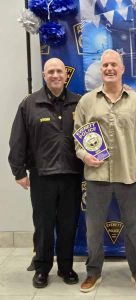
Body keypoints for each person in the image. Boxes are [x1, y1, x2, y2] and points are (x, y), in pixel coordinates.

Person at [74, 49, 136, 293]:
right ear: (101, 70)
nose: (109, 69)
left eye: (114, 65)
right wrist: (83, 154)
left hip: (128, 176)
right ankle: (93, 273)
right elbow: (77, 136)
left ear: (122, 69)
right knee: (93, 228)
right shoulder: (86, 102)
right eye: (105, 65)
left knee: (132, 227)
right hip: (96, 177)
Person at [8, 58, 83, 288]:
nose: (56, 75)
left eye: (59, 71)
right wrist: (18, 172)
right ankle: (42, 269)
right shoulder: (29, 104)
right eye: (51, 71)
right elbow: (18, 141)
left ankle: (66, 267)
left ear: (65, 75)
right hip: (42, 176)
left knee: (69, 224)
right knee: (43, 225)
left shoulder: (79, 103)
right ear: (44, 74)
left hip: (72, 175)